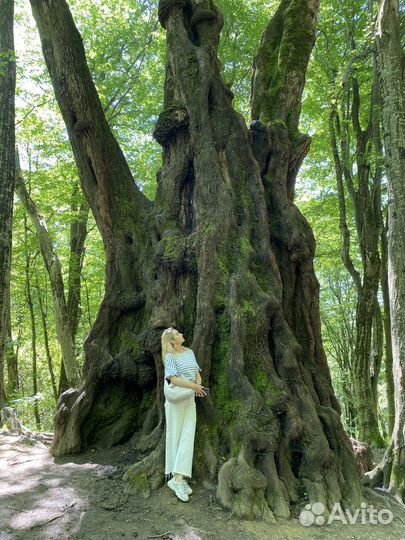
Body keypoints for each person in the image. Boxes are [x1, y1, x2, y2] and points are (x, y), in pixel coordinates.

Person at [161, 327, 206, 502]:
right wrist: (193, 387)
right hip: (176, 399)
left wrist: (198, 386)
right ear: (173, 340)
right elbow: (172, 378)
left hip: (189, 398)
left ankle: (178, 479)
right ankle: (176, 479)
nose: (182, 334)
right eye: (179, 334)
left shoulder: (189, 352)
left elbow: (197, 373)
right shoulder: (170, 356)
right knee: (176, 437)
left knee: (188, 437)